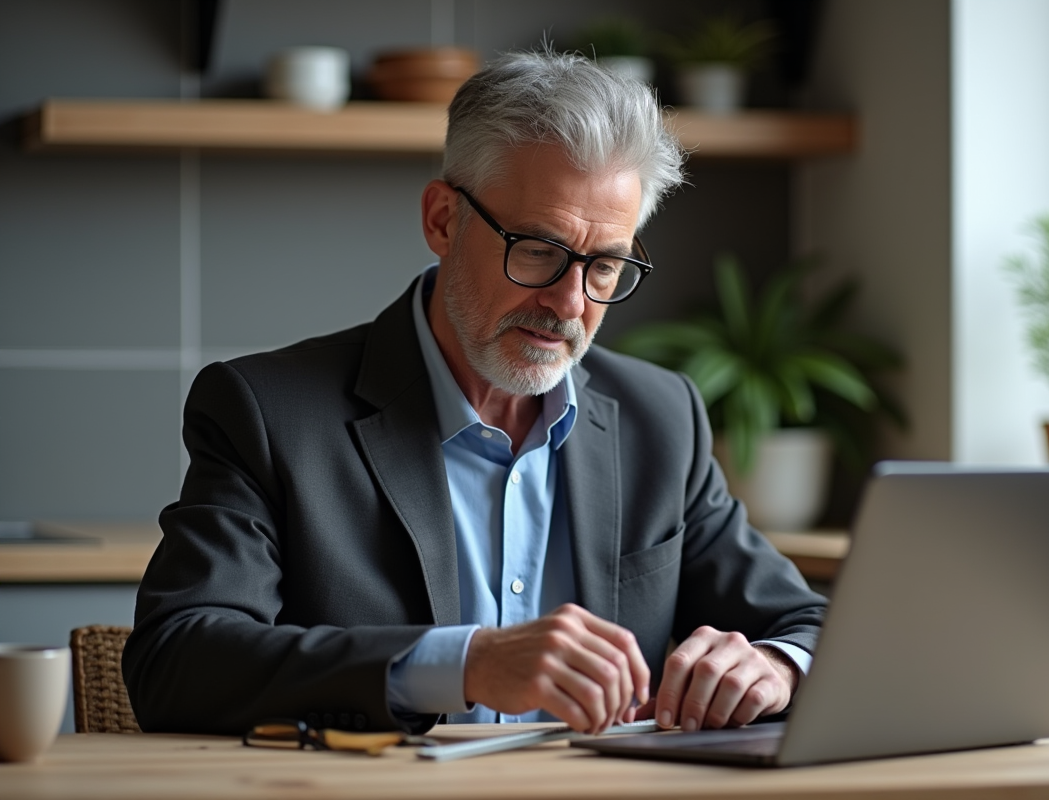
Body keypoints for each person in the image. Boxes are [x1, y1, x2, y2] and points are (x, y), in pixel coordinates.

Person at [123, 49, 827, 737]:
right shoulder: (267, 412)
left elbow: (810, 624)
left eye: (605, 266)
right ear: (442, 221)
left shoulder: (660, 418)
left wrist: (773, 664)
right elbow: (177, 658)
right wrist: (461, 664)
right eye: (539, 251)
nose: (569, 302)